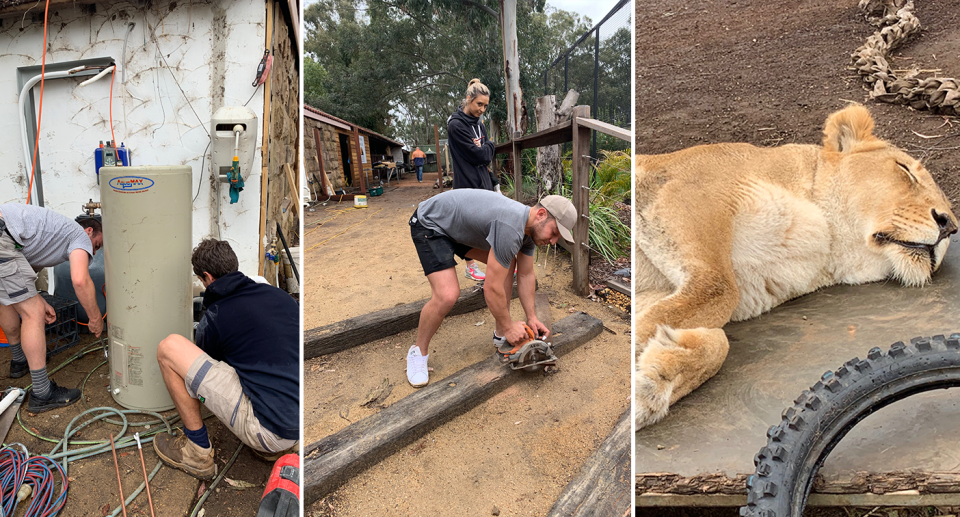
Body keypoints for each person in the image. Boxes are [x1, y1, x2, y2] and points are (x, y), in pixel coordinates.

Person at [153, 239, 299, 480]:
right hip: (298, 420)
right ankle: (277, 447)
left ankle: (197, 453)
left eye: (201, 279)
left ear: (207, 276)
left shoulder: (216, 317)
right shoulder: (278, 295)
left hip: (270, 430)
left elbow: (204, 367)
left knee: (169, 348)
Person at [406, 189, 577, 387]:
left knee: (508, 264)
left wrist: (532, 317)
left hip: (456, 229)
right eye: (554, 232)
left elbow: (525, 274)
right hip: (430, 223)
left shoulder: (529, 231)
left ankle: (500, 335)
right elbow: (492, 287)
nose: (554, 241)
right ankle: (417, 352)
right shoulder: (510, 228)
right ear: (541, 215)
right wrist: (509, 326)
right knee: (447, 295)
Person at [0, 204, 103, 413]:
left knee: (6, 302)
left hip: (5, 235)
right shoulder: (79, 236)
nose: (95, 250)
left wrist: (39, 298)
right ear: (89, 231)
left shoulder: (51, 238)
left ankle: (20, 362)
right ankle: (42, 393)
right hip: (3, 236)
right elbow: (81, 281)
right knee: (33, 313)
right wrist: (95, 318)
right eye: (98, 244)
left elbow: (20, 279)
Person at [447, 78, 499, 282]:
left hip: (483, 183)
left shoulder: (479, 125)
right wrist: (490, 147)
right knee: (469, 228)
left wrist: (486, 147)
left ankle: (496, 265)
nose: (482, 109)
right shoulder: (456, 125)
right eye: (479, 104)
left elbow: (483, 155)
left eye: (485, 105)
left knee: (488, 226)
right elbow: (482, 155)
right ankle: (471, 266)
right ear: (468, 99)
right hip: (467, 184)